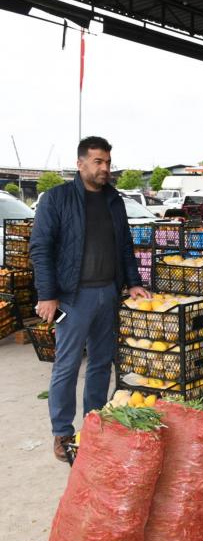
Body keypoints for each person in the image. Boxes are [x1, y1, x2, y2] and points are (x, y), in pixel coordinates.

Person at [30, 136, 151, 462]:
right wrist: (48, 295)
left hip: (107, 294)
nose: (105, 168)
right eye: (98, 162)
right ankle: (62, 432)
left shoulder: (114, 200)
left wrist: (133, 282)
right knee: (67, 366)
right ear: (80, 163)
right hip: (72, 298)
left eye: (107, 162)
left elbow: (125, 245)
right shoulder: (57, 199)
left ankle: (93, 425)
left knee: (100, 363)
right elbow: (40, 248)